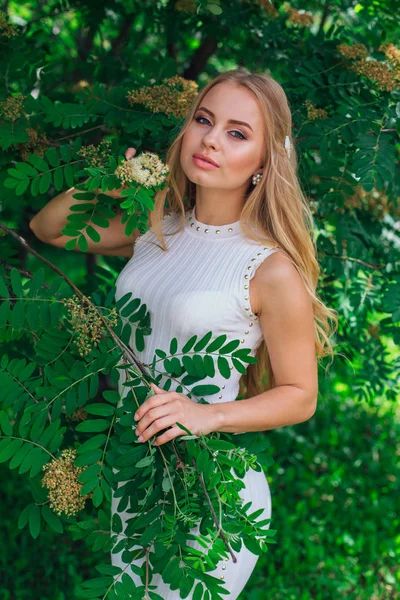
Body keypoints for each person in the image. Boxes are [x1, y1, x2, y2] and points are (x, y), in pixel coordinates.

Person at [29, 68, 338, 599]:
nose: (211, 139)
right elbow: (47, 228)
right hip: (138, 472)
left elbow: (301, 396)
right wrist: (102, 182)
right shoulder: (158, 227)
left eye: (237, 133)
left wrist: (206, 414)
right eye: (203, 120)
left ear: (265, 163)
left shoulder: (270, 269)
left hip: (212, 488)